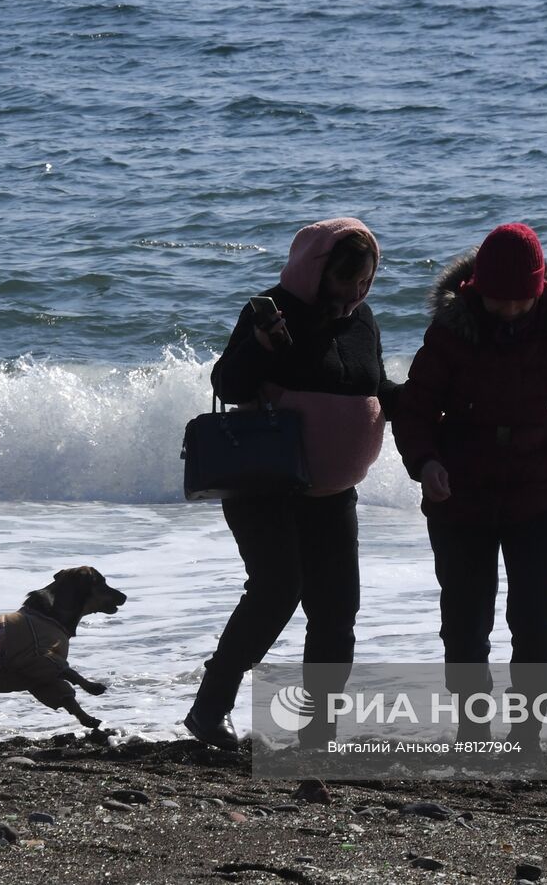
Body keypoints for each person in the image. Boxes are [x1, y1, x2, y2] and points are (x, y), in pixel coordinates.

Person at [392, 222, 547, 754]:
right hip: (462, 489)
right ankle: (472, 729)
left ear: (539, 291)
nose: (507, 310)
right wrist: (426, 462)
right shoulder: (452, 328)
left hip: (542, 487)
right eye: (496, 300)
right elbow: (414, 408)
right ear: (476, 288)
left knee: (534, 615)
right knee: (465, 616)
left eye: (518, 301)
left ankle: (527, 733)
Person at [184, 217, 399, 751]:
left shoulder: (363, 320)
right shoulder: (274, 311)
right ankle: (210, 710)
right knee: (277, 591)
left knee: (337, 609)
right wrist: (259, 346)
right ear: (316, 270)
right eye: (345, 281)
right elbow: (227, 385)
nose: (354, 294)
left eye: (365, 282)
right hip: (267, 485)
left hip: (332, 494)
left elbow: (375, 387)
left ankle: (318, 730)